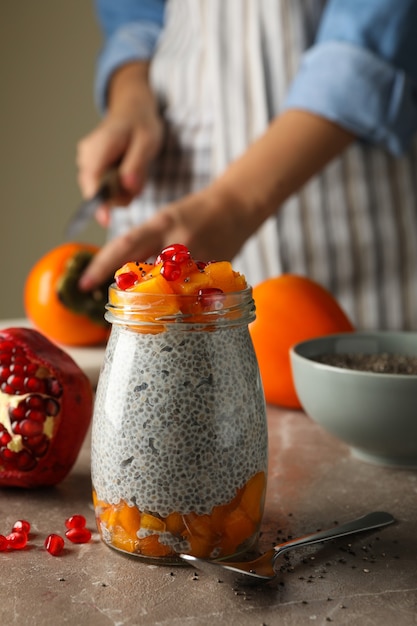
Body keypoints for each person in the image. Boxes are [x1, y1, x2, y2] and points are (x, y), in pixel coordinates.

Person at [77, 0, 417, 330]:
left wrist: (233, 204)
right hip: (173, 172)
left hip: (352, 196)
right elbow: (131, 13)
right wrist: (130, 98)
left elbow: (379, 25)